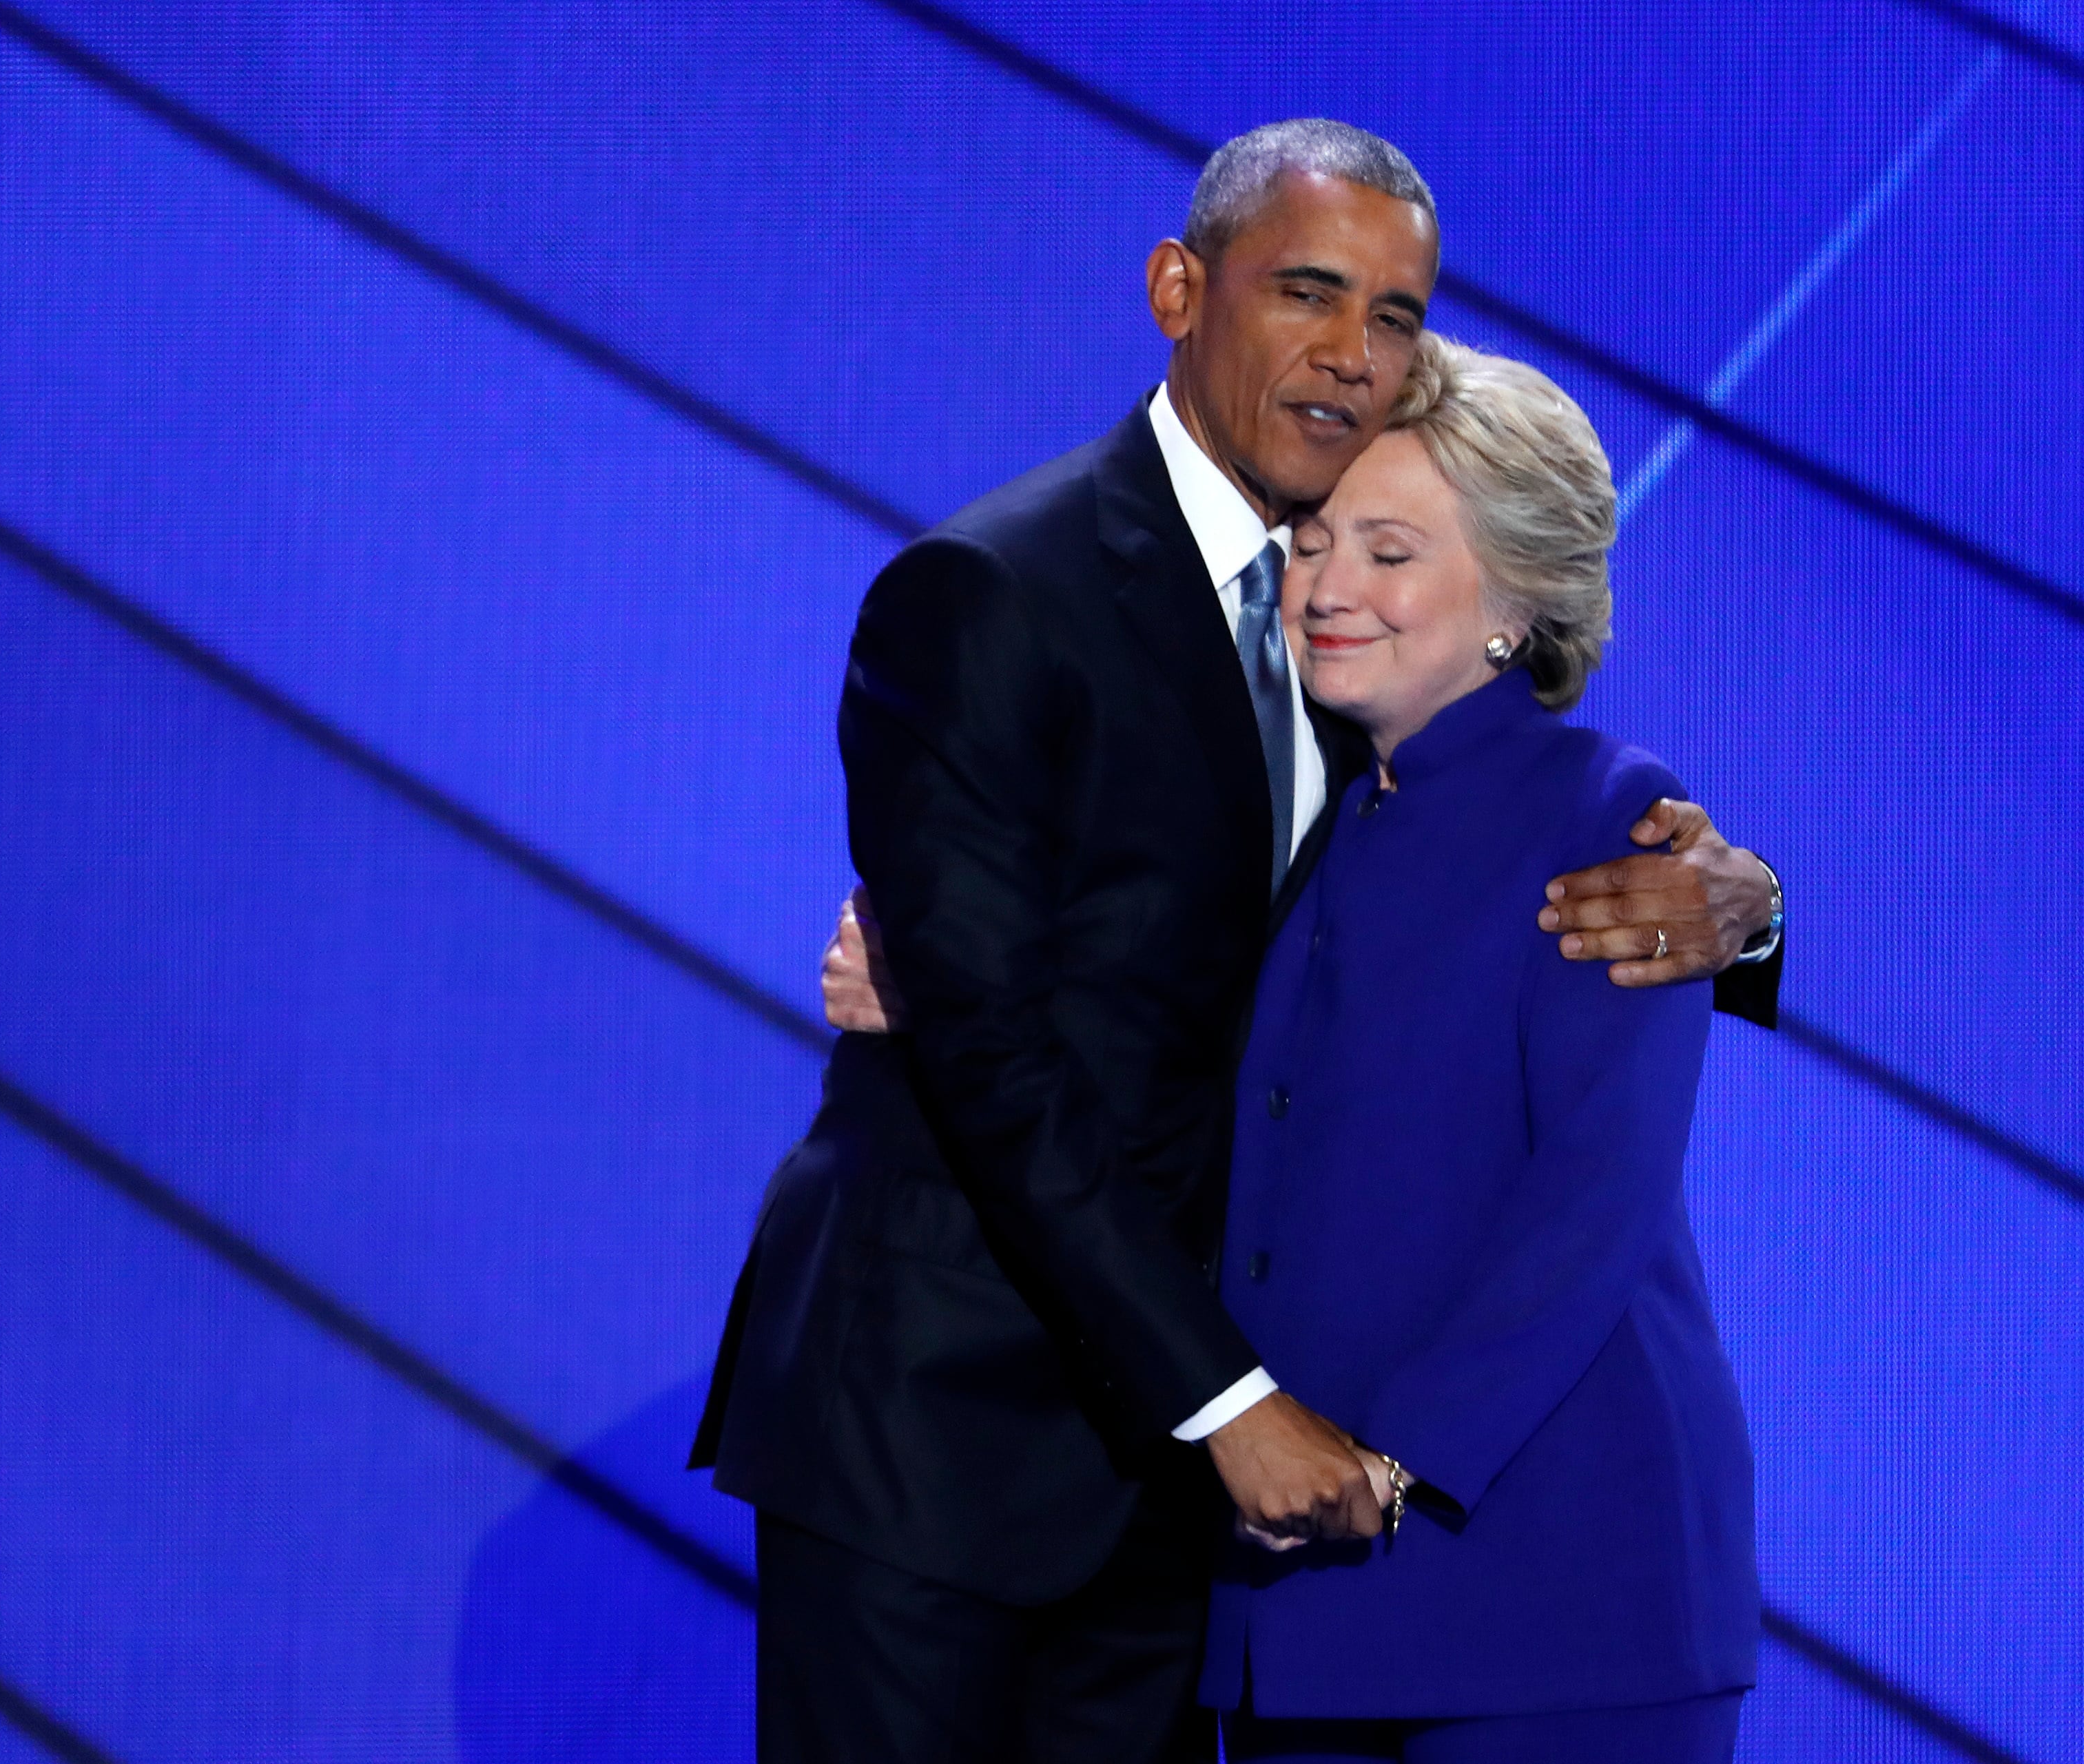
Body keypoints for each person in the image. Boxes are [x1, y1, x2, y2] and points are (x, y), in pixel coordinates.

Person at [691, 120, 1783, 1764]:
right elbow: (995, 1034)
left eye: (1398, 317)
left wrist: (1752, 913)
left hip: (1209, 1504)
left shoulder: (1371, 665)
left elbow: (1523, 869)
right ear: (1180, 290)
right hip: (953, 1435)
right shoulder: (996, 589)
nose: (1353, 354)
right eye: (1310, 294)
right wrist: (1231, 1402)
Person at [1208, 334, 1758, 1762]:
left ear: (1517, 597)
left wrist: (1394, 1467)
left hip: (1555, 1577)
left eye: (1390, 551)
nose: (1329, 589)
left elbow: (1597, 1199)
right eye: (1315, 539)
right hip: (1293, 1587)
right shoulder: (1292, 801)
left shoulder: (1614, 816)